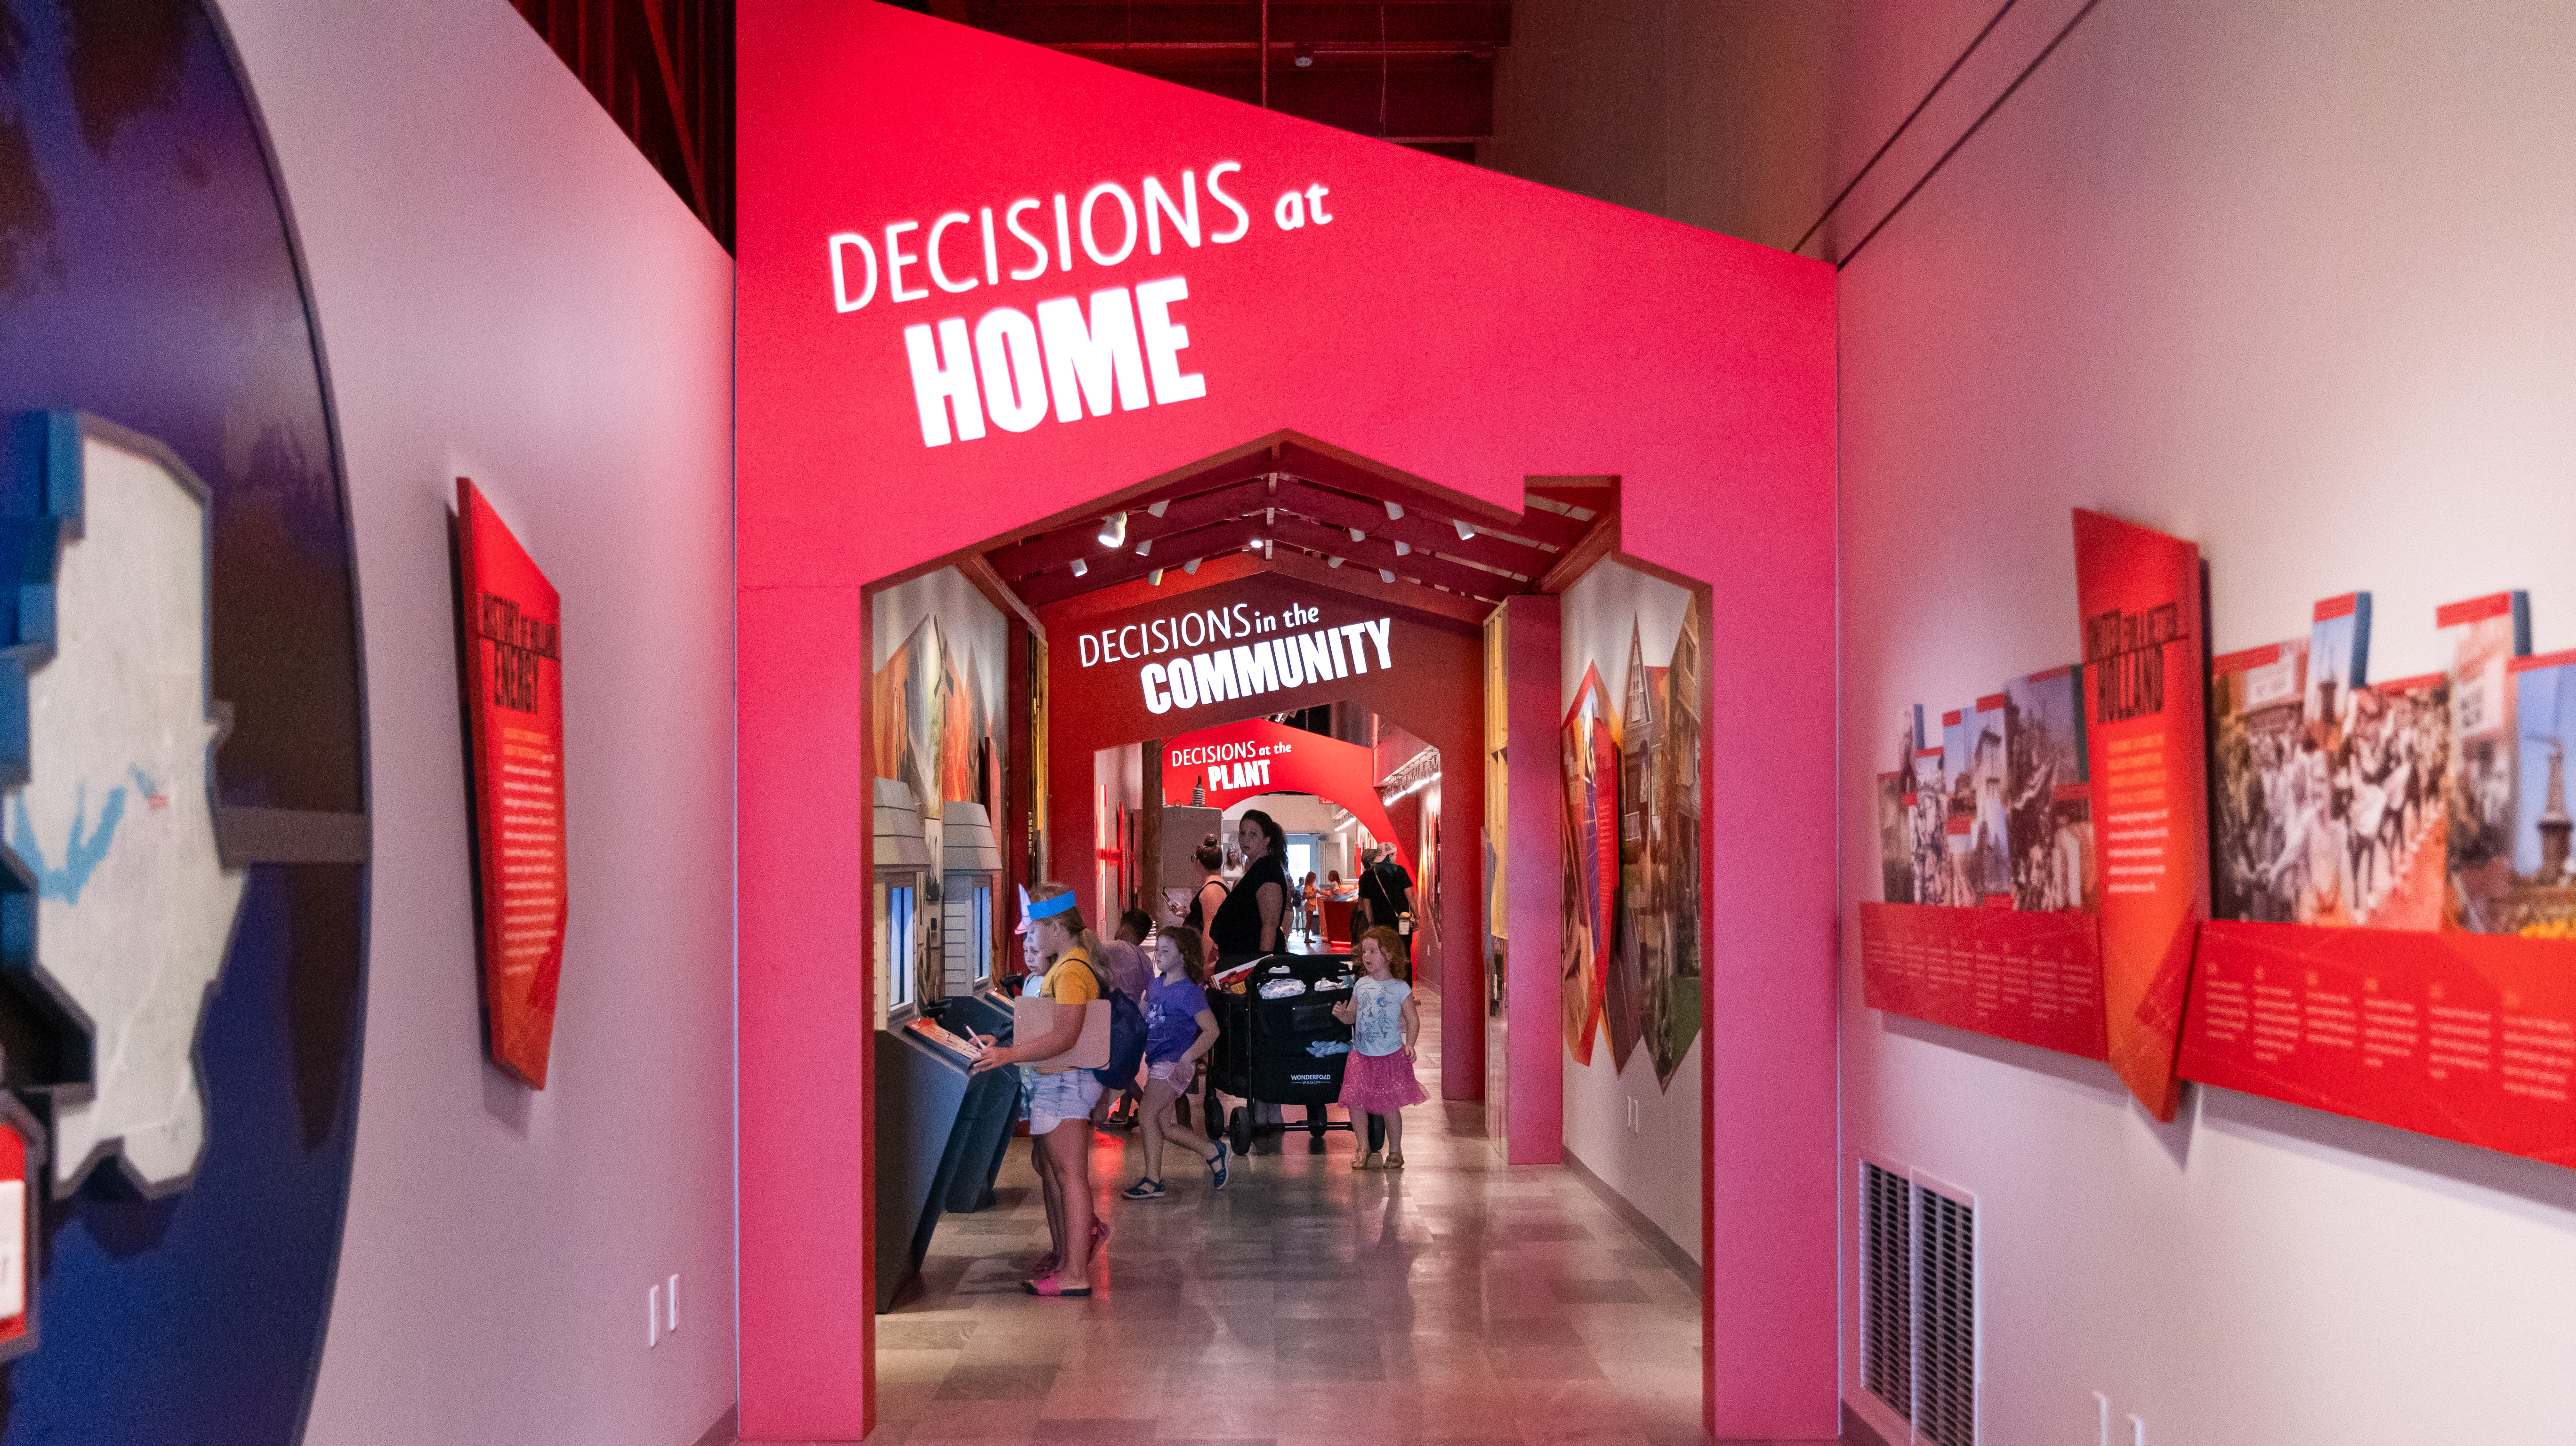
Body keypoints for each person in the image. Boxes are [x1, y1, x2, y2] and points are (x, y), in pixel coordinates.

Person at [967, 882, 1108, 1297]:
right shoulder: (1067, 967)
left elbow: (1065, 1035)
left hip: (1065, 1081)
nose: (1028, 939)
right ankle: (1068, 1260)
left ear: (1057, 928)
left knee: (1070, 1178)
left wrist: (1010, 1054)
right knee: (1058, 1175)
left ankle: (1075, 1274)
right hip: (1057, 1080)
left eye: (1034, 931)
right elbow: (1049, 1027)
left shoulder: (1072, 970)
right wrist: (1008, 1044)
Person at [1121, 925, 1228, 1199]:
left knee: (1146, 1114)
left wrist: (1187, 1057)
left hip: (1175, 1063)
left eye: (1166, 951)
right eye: (1157, 949)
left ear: (1183, 956)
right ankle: (1212, 1152)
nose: (1158, 955)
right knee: (1163, 1125)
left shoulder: (1190, 992)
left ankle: (1152, 1180)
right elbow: (1142, 1016)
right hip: (1157, 1061)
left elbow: (1212, 1030)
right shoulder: (1156, 985)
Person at [1331, 926, 1425, 1170]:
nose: (1367, 957)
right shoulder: (1361, 985)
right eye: (1364, 952)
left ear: (1390, 955)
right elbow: (1353, 1016)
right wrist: (1343, 1015)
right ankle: (1362, 1147)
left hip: (1389, 1056)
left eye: (1373, 951)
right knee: (1356, 1102)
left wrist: (1411, 1044)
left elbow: (1413, 1020)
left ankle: (1396, 1150)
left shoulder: (1400, 988)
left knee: (1389, 1105)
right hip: (1361, 1055)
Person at [1096, 909, 1156, 1128]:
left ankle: (1146, 1107)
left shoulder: (1118, 948)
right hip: (1136, 1022)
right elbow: (1151, 995)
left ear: (1123, 927)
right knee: (1126, 1065)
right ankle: (1124, 1112)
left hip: (1116, 1019)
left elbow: (1090, 950)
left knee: (1114, 1067)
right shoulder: (1145, 960)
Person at [1210, 810, 1289, 959]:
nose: (1245, 839)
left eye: (1253, 834)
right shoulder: (1256, 869)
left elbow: (1270, 926)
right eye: (1243, 833)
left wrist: (1262, 966)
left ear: (1267, 840)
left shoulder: (1268, 870)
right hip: (1239, 959)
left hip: (1251, 963)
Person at [1181, 835, 1229, 934]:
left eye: (1195, 859)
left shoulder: (1212, 889)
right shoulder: (1214, 885)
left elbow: (1209, 933)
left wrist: (1204, 951)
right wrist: (1186, 914)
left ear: (1199, 863)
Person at [1302, 872, 1323, 941]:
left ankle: (1307, 938)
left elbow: (1319, 892)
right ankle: (1307, 938)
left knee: (1310, 921)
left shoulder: (1313, 887)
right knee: (1309, 921)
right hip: (1309, 905)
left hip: (1312, 905)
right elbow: (1304, 897)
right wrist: (1312, 896)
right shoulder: (1307, 887)